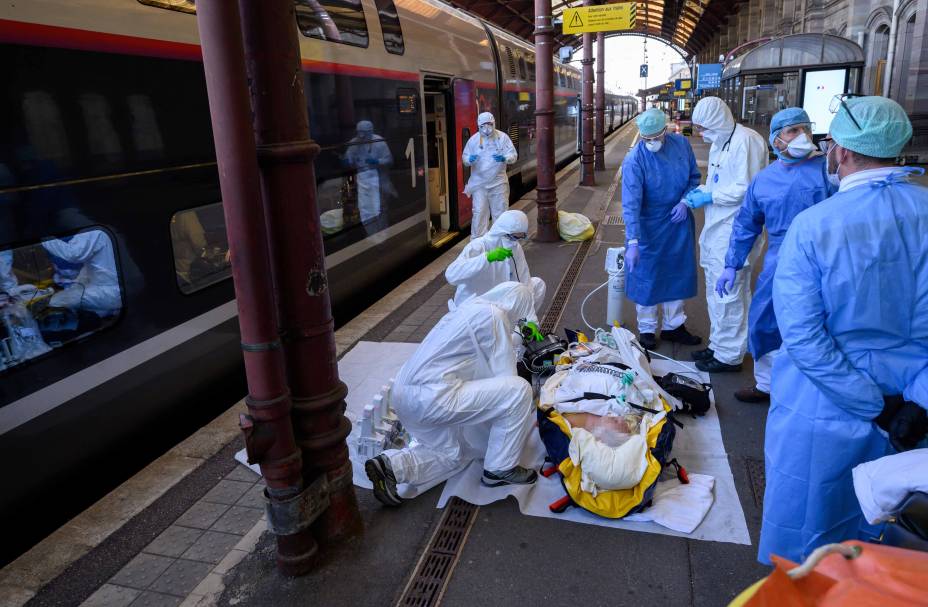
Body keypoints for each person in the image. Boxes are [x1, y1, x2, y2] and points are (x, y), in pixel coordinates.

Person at [759, 96, 928, 566]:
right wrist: (911, 401)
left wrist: (876, 404)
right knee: (897, 539)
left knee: (811, 532)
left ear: (840, 151)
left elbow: (806, 340)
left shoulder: (814, 227)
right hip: (916, 416)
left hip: (825, 408)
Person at [365, 282, 539, 506]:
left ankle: (391, 466)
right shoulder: (494, 316)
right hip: (434, 398)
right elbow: (506, 375)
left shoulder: (467, 308)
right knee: (519, 391)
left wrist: (512, 338)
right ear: (517, 305)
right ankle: (500, 469)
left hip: (404, 395)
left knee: (451, 455)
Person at [715, 108, 834, 402]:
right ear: (775, 139)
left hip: (826, 260)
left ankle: (812, 388)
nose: (802, 136)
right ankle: (766, 385)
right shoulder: (764, 181)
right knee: (766, 319)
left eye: (805, 129)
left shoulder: (828, 172)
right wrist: (731, 264)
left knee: (820, 322)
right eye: (792, 131)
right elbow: (746, 224)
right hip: (780, 260)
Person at [687, 96, 768, 373]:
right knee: (715, 291)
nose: (700, 134)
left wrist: (711, 195)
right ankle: (718, 344)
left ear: (717, 122)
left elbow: (748, 189)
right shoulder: (720, 143)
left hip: (736, 230)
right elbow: (715, 179)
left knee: (730, 295)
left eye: (703, 128)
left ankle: (730, 356)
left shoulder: (747, 140)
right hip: (716, 229)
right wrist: (703, 192)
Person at [621, 108, 703, 350]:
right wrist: (633, 242)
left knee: (676, 273)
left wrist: (685, 201)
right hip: (647, 226)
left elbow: (694, 178)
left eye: (656, 137)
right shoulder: (635, 160)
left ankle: (673, 326)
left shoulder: (681, 145)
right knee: (647, 275)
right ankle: (646, 328)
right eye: (646, 139)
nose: (651, 143)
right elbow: (631, 204)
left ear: (665, 131)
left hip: (677, 221)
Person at [445, 209, 545, 313]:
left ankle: (520, 326)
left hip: (498, 300)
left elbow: (523, 278)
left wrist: (529, 318)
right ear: (502, 232)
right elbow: (451, 275)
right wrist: (486, 258)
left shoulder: (515, 247)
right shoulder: (479, 246)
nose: (514, 241)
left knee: (538, 285)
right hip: (473, 305)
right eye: (513, 237)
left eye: (519, 237)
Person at [42, 230, 121, 319]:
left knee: (57, 301)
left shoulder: (96, 233)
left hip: (109, 291)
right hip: (110, 288)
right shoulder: (102, 233)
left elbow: (72, 254)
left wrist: (44, 238)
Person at [462, 112, 517, 237]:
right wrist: (469, 159)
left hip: (498, 183)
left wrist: (505, 158)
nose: (486, 128)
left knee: (500, 214)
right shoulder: (473, 140)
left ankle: (500, 242)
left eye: (489, 124)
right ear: (478, 126)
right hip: (479, 185)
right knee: (479, 213)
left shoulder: (502, 138)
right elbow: (465, 158)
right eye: (483, 126)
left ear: (494, 123)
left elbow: (513, 155)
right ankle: (478, 245)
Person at [344, 120, 394, 225]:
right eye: (359, 133)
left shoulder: (379, 142)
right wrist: (347, 161)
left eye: (365, 133)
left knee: (380, 206)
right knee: (365, 207)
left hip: (379, 178)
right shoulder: (354, 143)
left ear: (371, 131)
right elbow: (348, 158)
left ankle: (382, 228)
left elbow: (389, 160)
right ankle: (369, 228)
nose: (362, 136)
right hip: (362, 179)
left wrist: (377, 161)